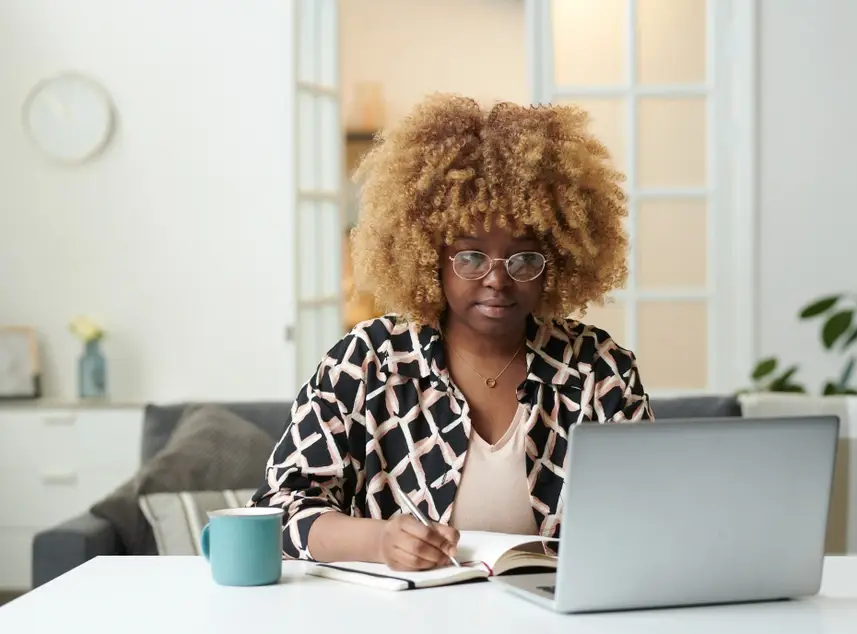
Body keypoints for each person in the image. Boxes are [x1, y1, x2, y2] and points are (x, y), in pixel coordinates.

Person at [248, 93, 653, 571]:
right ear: (427, 256)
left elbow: (649, 517)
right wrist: (377, 542)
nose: (497, 279)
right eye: (470, 256)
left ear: (558, 261)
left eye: (523, 258)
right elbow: (278, 511)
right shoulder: (368, 362)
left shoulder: (597, 370)